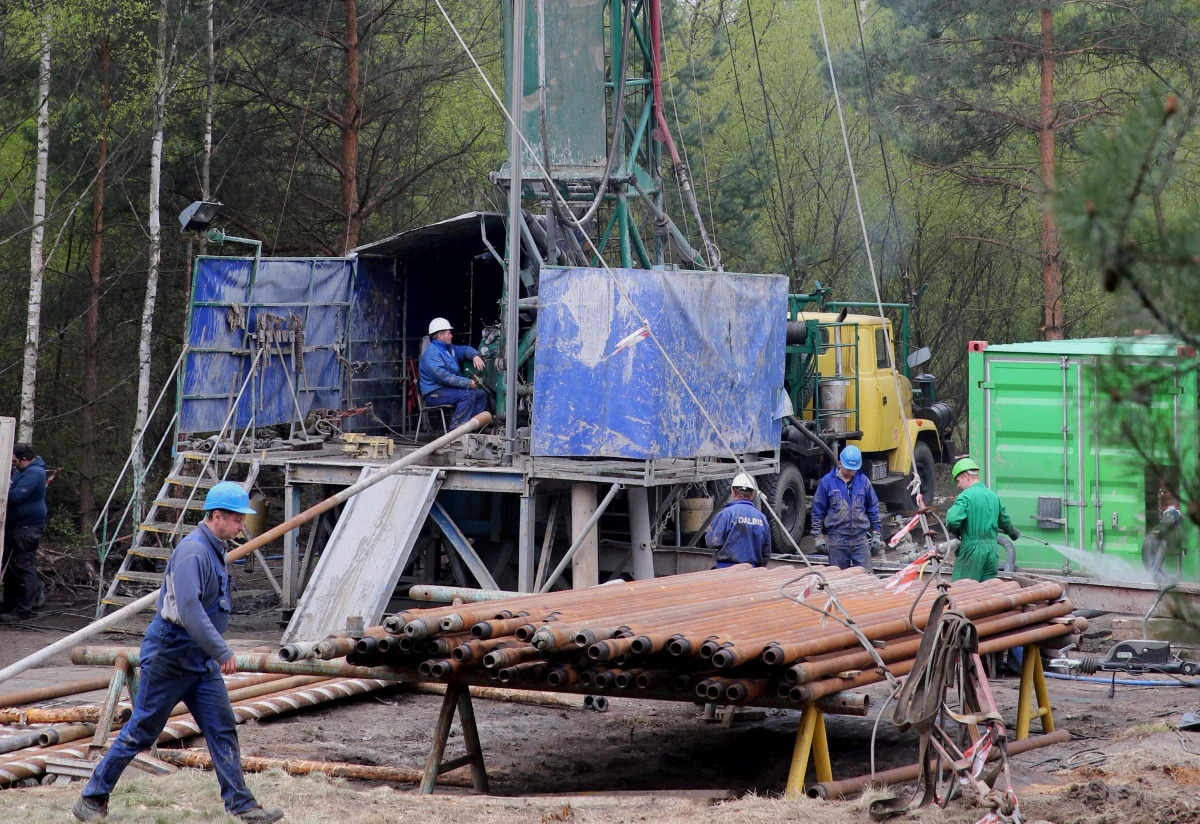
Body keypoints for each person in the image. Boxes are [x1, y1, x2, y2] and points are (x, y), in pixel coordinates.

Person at [74, 482, 284, 824]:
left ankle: (242, 805)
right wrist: (221, 650)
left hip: (198, 658)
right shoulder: (193, 552)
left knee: (221, 726)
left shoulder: (214, 547)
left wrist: (210, 651)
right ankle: (91, 797)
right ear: (218, 516)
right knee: (143, 729)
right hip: (171, 654)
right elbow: (189, 610)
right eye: (237, 519)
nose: (242, 526)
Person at [945, 457, 1019, 582]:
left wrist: (957, 532)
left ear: (966, 476)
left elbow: (952, 520)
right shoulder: (993, 496)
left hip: (972, 553)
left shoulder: (965, 496)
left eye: (958, 480)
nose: (958, 485)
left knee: (962, 592)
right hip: (991, 552)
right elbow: (1005, 522)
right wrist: (1014, 533)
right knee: (986, 593)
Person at [810, 445, 882, 573]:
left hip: (860, 538)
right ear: (840, 463)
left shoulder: (863, 481)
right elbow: (818, 511)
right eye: (849, 469)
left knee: (867, 577)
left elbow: (873, 507)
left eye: (854, 470)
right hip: (837, 539)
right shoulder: (827, 482)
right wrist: (818, 536)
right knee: (838, 579)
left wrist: (876, 533)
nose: (851, 473)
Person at [1, 443, 48, 623]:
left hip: (27, 528)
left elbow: (15, 496)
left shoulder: (34, 473)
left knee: (24, 566)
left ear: (24, 459)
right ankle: (11, 604)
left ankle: (24, 610)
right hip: (18, 527)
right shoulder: (23, 472)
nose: (13, 465)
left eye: (15, 461)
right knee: (12, 568)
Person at [419, 317, 488, 428]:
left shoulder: (449, 349)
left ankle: (471, 427)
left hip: (447, 390)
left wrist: (475, 356)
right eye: (449, 333)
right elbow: (444, 377)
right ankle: (456, 430)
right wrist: (468, 383)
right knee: (468, 394)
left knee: (481, 395)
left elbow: (465, 350)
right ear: (441, 336)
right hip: (435, 393)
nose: (451, 336)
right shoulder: (432, 353)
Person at [706, 473, 772, 568]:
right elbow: (766, 553)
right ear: (753, 495)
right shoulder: (762, 518)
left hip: (725, 570)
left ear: (733, 492)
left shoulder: (726, 514)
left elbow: (711, 542)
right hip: (751, 571)